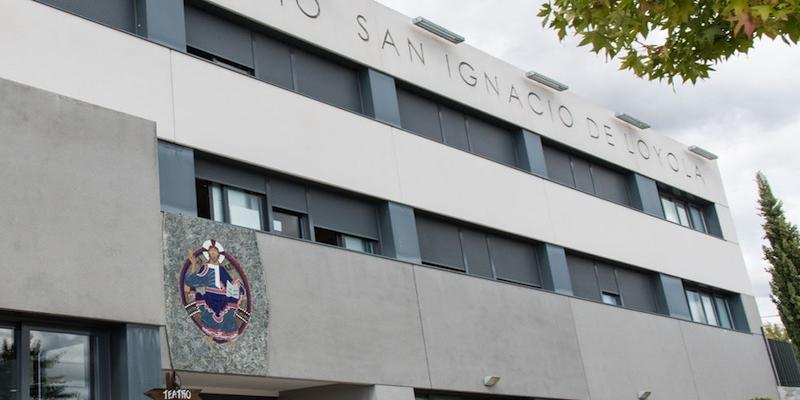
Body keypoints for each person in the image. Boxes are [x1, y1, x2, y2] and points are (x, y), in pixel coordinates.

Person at [184, 240, 243, 342]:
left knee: (229, 306)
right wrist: (193, 264)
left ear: (218, 254)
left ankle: (226, 333)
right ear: (208, 254)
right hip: (210, 295)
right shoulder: (205, 267)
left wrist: (236, 285)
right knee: (207, 306)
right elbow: (193, 281)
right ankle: (212, 332)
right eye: (211, 251)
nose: (213, 253)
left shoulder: (222, 269)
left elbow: (229, 281)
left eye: (215, 251)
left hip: (223, 295)